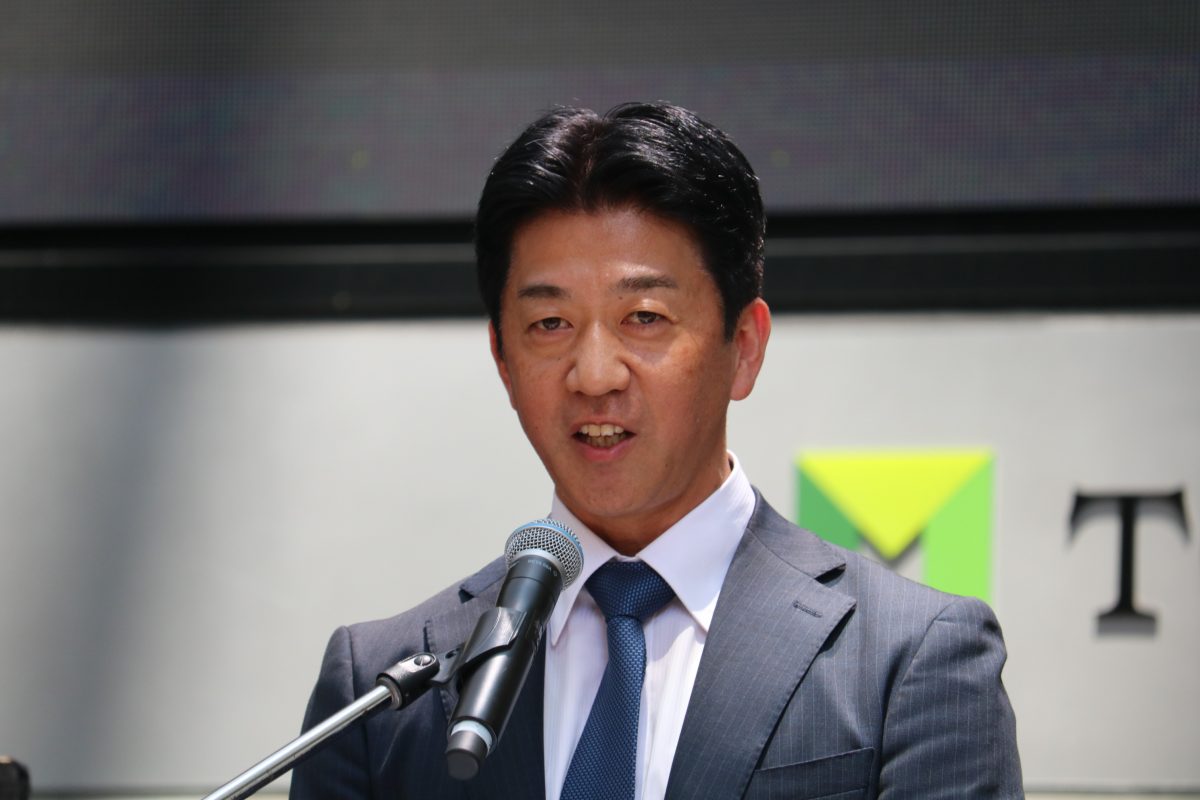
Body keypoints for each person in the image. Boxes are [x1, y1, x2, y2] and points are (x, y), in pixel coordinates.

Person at [290, 102, 1023, 799]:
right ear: (503, 360)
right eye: (549, 324)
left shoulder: (911, 659)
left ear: (744, 347)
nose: (594, 375)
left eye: (643, 317)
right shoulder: (380, 693)